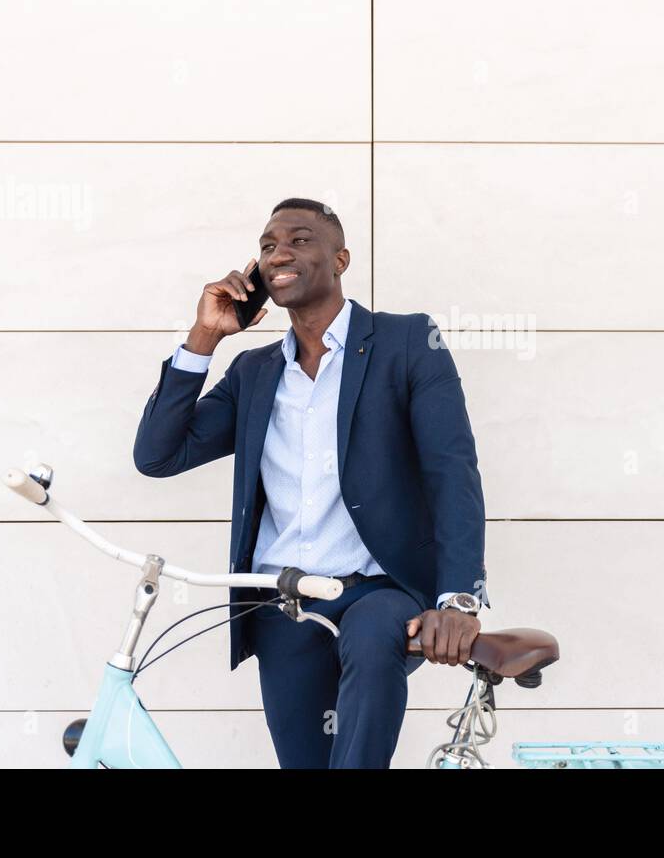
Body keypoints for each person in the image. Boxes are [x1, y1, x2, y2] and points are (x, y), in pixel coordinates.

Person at [133, 197, 490, 768]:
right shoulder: (254, 372)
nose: (279, 253)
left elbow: (453, 472)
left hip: (379, 589)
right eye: (268, 245)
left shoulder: (406, 343)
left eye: (299, 240)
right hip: (283, 602)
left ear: (340, 258)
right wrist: (205, 336)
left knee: (374, 639)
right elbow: (158, 454)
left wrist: (459, 596)